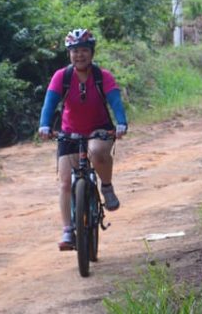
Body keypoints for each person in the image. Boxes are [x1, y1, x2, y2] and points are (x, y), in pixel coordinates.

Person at [38, 28, 128, 251]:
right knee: (66, 182)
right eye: (75, 51)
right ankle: (68, 231)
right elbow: (49, 104)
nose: (80, 55)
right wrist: (45, 125)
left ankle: (106, 187)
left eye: (84, 51)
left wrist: (121, 122)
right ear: (69, 54)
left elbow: (115, 101)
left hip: (99, 129)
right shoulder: (62, 77)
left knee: (97, 151)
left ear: (92, 53)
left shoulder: (102, 76)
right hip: (69, 132)